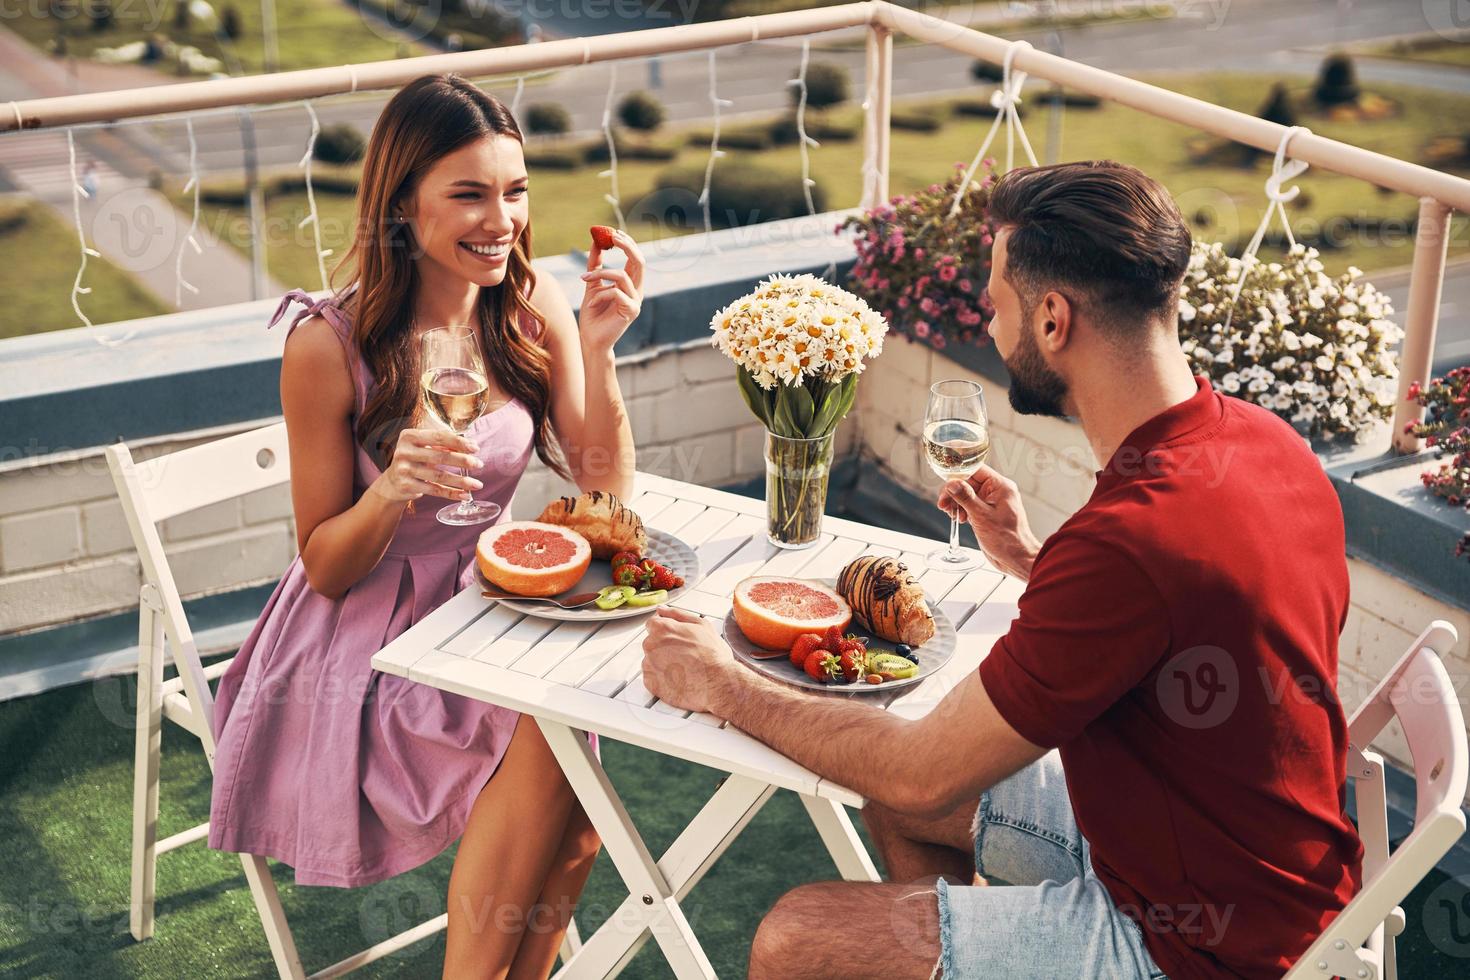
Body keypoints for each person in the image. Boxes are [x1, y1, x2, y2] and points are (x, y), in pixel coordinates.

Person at [641, 160, 1363, 979]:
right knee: (898, 801)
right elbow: (1180, 610)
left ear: (1052, 319)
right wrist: (1032, 560)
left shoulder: (1130, 540)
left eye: (995, 306)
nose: (988, 328)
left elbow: (921, 771)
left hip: (1202, 947)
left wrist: (720, 684)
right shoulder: (1264, 443)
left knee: (798, 936)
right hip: (1257, 872)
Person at [209, 73, 643, 978]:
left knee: (574, 839)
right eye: (471, 194)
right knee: (552, 728)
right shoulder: (328, 348)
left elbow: (607, 493)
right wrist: (390, 491)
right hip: (363, 643)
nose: (503, 219)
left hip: (494, 605)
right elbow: (325, 567)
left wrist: (598, 354)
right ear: (402, 204)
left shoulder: (531, 307)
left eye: (516, 190)